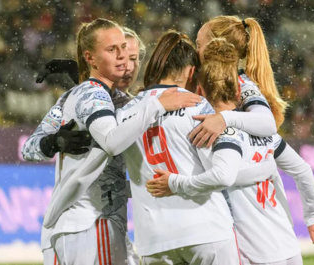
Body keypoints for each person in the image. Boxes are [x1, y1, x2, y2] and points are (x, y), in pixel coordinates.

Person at [22, 18, 200, 265]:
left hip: (92, 223)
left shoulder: (132, 105)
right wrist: (53, 142)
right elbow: (29, 148)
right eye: (114, 51)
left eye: (133, 56)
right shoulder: (90, 98)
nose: (127, 62)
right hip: (90, 222)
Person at [147, 38, 314, 265]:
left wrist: (175, 183)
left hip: (252, 252)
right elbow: (302, 170)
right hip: (287, 245)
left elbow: (223, 177)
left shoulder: (208, 134)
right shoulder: (265, 134)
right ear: (238, 90)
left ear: (198, 88)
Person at [115, 30, 253, 265]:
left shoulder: (124, 113)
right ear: (191, 71)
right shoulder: (196, 106)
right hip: (206, 231)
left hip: (154, 241)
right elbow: (222, 174)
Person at [190, 16, 288, 148]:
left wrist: (224, 119)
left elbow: (267, 123)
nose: (195, 52)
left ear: (217, 46)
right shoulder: (204, 78)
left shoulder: (240, 83)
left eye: (199, 45)